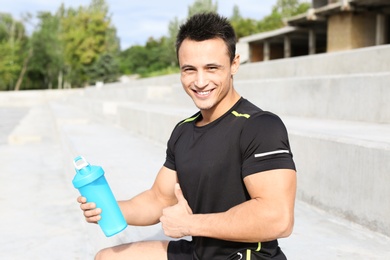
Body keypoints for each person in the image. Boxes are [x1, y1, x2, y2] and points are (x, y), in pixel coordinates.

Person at [77, 12, 297, 260]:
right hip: (199, 253)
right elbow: (160, 198)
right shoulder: (184, 130)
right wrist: (108, 209)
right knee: (107, 258)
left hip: (246, 256)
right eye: (189, 70)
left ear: (234, 64)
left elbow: (278, 218)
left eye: (212, 68)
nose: (200, 81)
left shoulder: (261, 126)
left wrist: (190, 225)